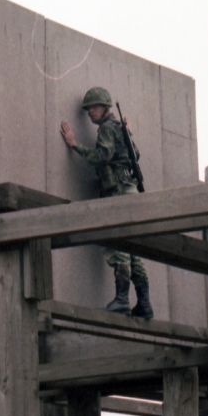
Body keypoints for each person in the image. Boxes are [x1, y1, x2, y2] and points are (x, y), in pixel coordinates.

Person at [59, 86, 153, 318]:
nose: (90, 113)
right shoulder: (121, 128)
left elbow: (102, 157)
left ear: (104, 108)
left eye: (93, 108)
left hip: (118, 192)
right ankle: (144, 304)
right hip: (129, 190)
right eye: (89, 109)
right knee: (132, 251)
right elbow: (136, 154)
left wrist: (75, 145)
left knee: (119, 244)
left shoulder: (107, 129)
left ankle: (122, 300)